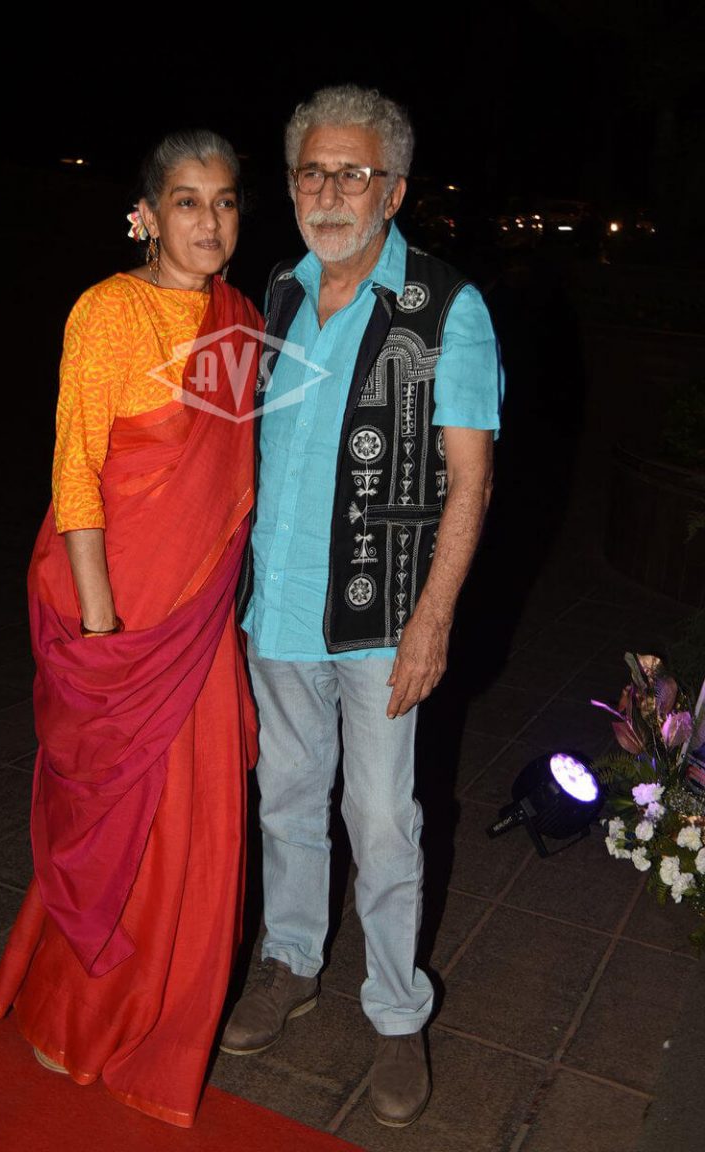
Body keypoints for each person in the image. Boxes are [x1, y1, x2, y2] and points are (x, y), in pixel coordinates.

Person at [221, 86, 504, 1129]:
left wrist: (433, 620)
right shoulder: (280, 291)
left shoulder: (445, 306)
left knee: (382, 820)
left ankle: (394, 1009)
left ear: (393, 191)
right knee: (286, 800)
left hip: (382, 619)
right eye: (313, 172)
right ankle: (290, 961)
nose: (331, 193)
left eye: (354, 174)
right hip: (276, 608)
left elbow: (472, 481)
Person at [0, 129, 262, 1128]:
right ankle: (78, 1015)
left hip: (197, 627)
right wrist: (105, 628)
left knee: (196, 834)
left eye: (225, 201)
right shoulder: (108, 310)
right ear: (146, 212)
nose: (209, 221)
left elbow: (231, 484)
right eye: (187, 200)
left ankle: (162, 1025)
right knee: (115, 835)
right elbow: (76, 470)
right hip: (124, 619)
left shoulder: (237, 321)